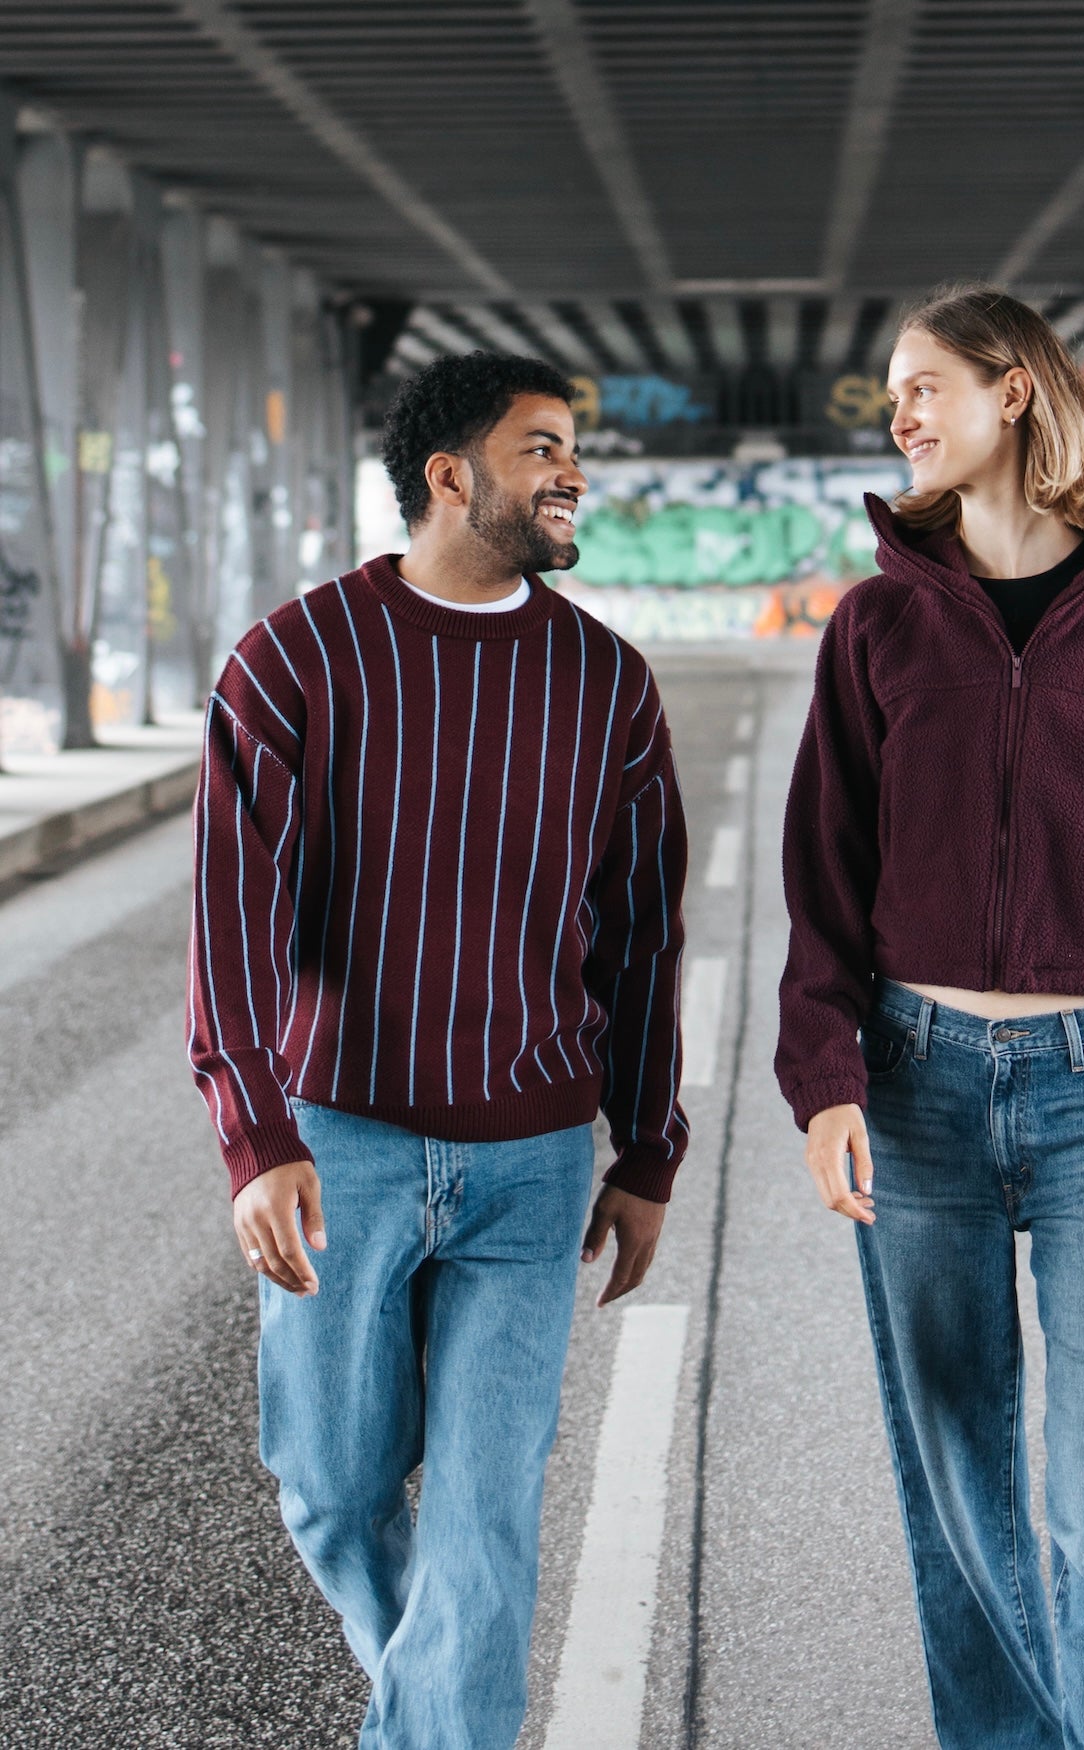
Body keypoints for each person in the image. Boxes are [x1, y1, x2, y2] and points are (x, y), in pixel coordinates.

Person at [188, 351, 687, 1749]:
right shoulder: (292, 660)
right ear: (449, 476)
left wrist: (648, 1147)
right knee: (335, 1489)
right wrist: (257, 1134)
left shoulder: (607, 684)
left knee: (485, 1522)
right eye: (541, 448)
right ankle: (440, 1696)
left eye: (573, 448)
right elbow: (230, 915)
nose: (572, 472)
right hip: (338, 1142)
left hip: (531, 1161)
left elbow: (644, 935)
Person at [776, 286, 1084, 1750]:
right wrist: (826, 1075)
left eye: (925, 387)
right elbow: (827, 871)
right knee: (959, 1487)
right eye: (893, 397)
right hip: (917, 1080)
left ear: (1018, 396)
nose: (900, 416)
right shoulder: (874, 627)